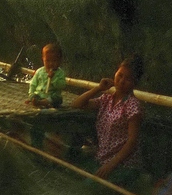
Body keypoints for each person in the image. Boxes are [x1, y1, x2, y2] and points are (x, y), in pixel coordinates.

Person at [70, 56, 145, 185]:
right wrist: (98, 88)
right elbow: (77, 104)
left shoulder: (133, 106)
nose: (121, 81)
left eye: (127, 79)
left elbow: (132, 142)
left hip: (123, 165)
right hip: (102, 159)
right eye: (120, 75)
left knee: (88, 187)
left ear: (134, 83)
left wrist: (110, 166)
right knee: (73, 175)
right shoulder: (106, 99)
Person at [26, 42, 67, 108]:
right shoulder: (39, 71)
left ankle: (43, 103)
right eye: (47, 61)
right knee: (33, 96)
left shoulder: (60, 73)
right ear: (43, 59)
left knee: (58, 99)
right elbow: (33, 84)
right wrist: (31, 93)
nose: (51, 64)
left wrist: (53, 78)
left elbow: (61, 86)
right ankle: (38, 101)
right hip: (39, 94)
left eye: (54, 61)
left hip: (51, 95)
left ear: (59, 61)